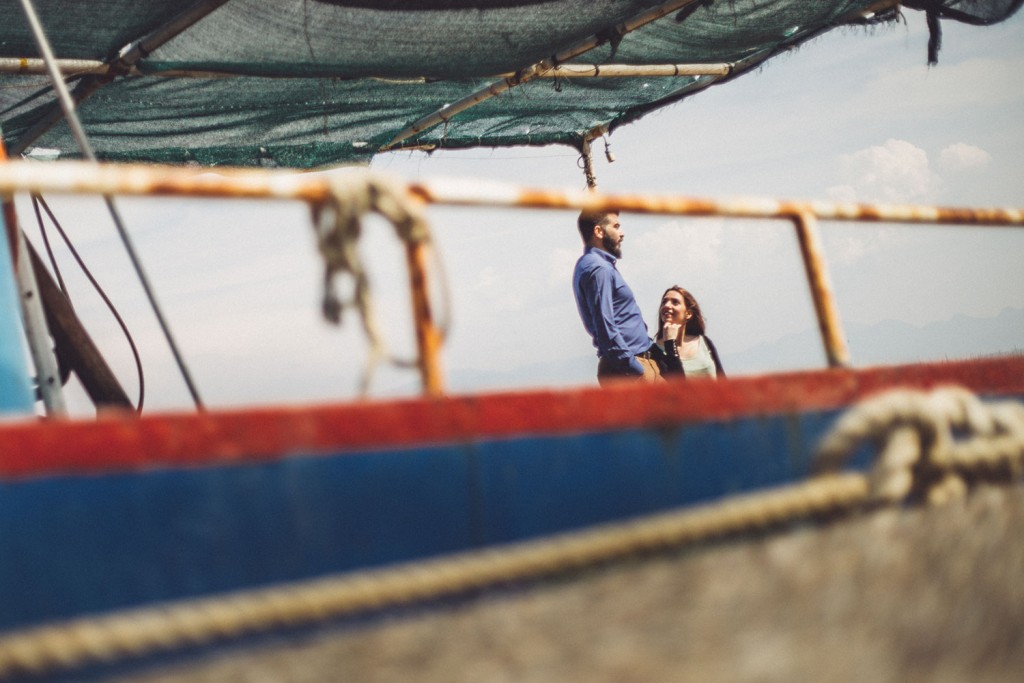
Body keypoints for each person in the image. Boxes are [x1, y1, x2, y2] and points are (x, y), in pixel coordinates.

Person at [572, 210, 662, 386]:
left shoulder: (595, 265)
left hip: (634, 364)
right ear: (599, 231)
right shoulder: (599, 269)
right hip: (629, 370)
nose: (622, 233)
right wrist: (634, 368)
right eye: (616, 226)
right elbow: (605, 326)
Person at [651, 286, 725, 379]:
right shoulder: (655, 351)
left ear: (688, 314)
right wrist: (670, 343)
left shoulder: (704, 342)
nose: (667, 305)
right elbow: (678, 384)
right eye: (664, 302)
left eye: (675, 302)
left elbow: (723, 380)